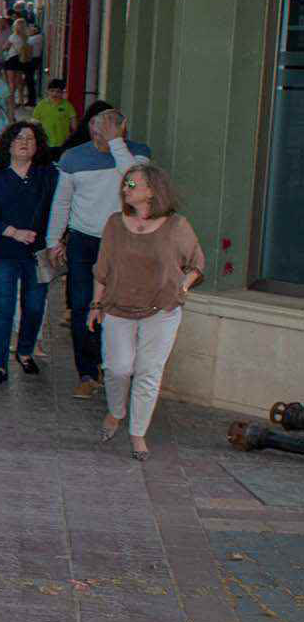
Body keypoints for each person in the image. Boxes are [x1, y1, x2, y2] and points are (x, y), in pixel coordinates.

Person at [91, 165, 202, 460]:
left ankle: (137, 433)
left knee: (148, 372)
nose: (125, 188)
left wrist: (182, 287)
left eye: (132, 183)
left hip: (161, 310)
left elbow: (196, 264)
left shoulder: (176, 226)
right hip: (118, 306)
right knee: (118, 368)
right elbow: (102, 270)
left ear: (152, 190)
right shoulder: (115, 223)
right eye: (125, 183)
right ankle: (116, 412)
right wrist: (95, 305)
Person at [45, 107, 149, 400]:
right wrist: (54, 240)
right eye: (96, 124)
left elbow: (135, 183)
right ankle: (87, 373)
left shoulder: (138, 154)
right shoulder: (73, 158)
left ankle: (112, 366)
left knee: (118, 307)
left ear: (122, 127)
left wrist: (117, 144)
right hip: (83, 242)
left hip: (124, 243)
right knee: (82, 306)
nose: (101, 129)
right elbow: (61, 203)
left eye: (109, 124)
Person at [0, 122, 57, 383]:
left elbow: (60, 208)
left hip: (37, 253)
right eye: (19, 138)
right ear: (8, 144)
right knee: (3, 307)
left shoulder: (48, 175)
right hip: (4, 251)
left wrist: (58, 239)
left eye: (30, 139)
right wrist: (11, 231)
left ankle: (25, 350)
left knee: (34, 307)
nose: (24, 142)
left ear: (38, 146)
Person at [32, 77, 75, 150]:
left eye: (58, 91)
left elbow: (74, 123)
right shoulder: (41, 105)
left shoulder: (67, 106)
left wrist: (72, 137)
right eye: (52, 91)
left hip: (63, 143)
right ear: (47, 91)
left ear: (62, 93)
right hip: (46, 143)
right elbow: (34, 123)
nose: (54, 94)